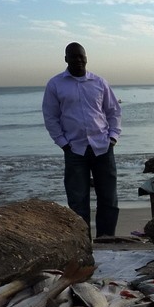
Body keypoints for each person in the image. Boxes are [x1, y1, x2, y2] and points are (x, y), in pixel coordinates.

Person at [42, 42, 122, 237]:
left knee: (109, 199)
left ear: (86, 57)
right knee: (78, 201)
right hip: (74, 150)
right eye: (73, 56)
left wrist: (113, 137)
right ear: (66, 59)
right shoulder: (55, 84)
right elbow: (50, 116)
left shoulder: (99, 82)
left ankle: (106, 240)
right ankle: (82, 243)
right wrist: (63, 143)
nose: (78, 60)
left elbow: (113, 111)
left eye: (81, 56)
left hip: (102, 147)